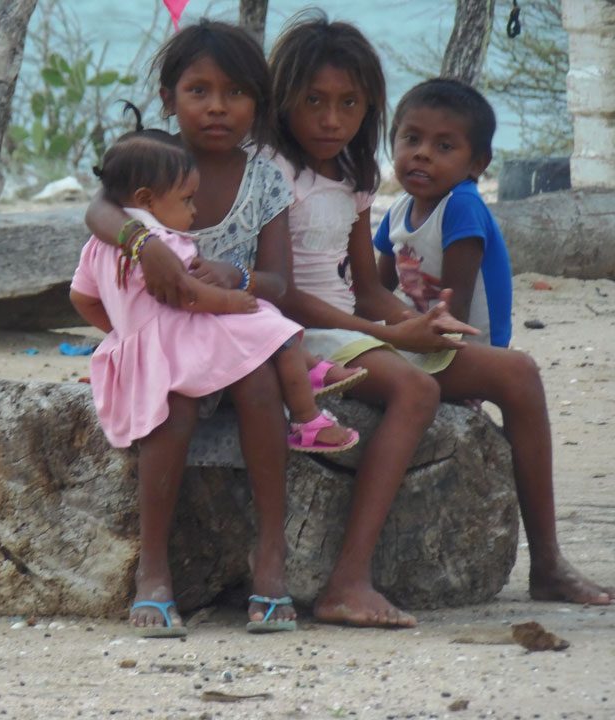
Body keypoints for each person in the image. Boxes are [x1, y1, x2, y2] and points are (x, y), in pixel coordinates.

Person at [261, 12, 613, 626]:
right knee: (415, 388)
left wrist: (418, 326)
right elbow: (284, 293)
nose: (330, 119)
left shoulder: (353, 175)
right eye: (313, 101)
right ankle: (348, 580)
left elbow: (366, 288)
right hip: (296, 336)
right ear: (283, 96)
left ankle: (549, 562)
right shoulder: (271, 172)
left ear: (369, 107)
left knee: (520, 373)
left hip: (352, 330)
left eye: (349, 103)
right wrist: (391, 335)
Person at [83, 20, 333, 634]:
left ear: (259, 103)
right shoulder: (152, 159)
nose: (218, 106)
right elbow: (97, 209)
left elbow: (278, 283)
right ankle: (154, 568)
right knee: (173, 407)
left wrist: (233, 278)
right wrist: (145, 244)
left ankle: (270, 557)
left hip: (231, 337)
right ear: (169, 99)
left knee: (260, 390)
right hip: (166, 343)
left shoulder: (265, 178)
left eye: (236, 92)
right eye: (198, 90)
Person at [373, 78, 512, 349]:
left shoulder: (461, 207)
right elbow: (378, 291)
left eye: (444, 146)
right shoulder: (399, 209)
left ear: (478, 163)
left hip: (471, 348)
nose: (422, 153)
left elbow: (455, 309)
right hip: (423, 336)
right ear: (393, 143)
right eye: (411, 139)